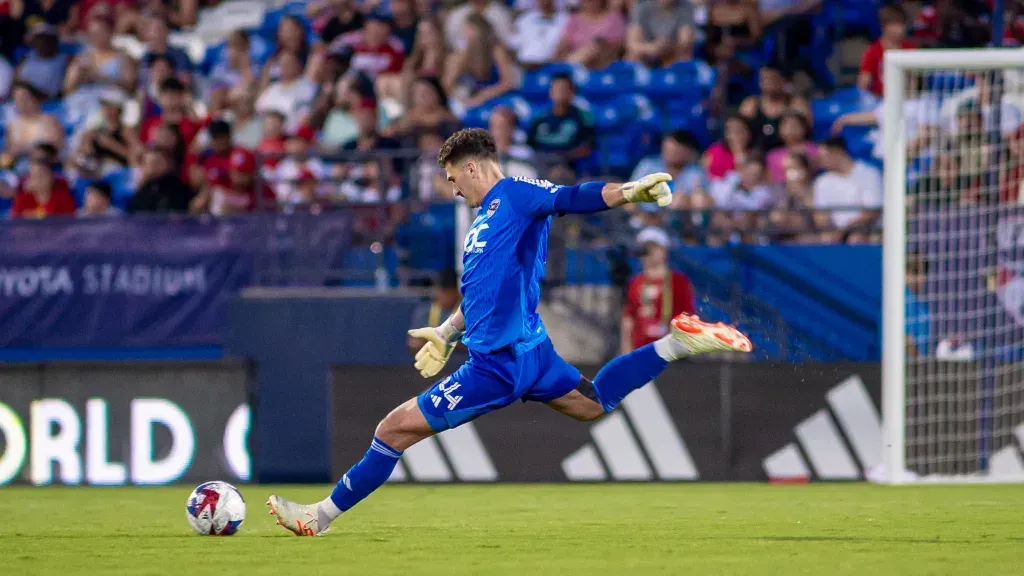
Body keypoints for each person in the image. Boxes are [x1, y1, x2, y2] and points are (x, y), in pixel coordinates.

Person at [266, 127, 752, 535]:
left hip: (497, 365)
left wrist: (629, 192)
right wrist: (448, 331)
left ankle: (319, 517)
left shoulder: (517, 195)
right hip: (532, 351)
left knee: (391, 431)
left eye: (455, 178)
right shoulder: (488, 216)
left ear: (473, 168)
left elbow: (572, 197)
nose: (454, 189)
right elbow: (483, 289)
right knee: (593, 403)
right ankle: (677, 342)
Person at [621, 227, 696, 353]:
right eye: (645, 249)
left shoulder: (678, 281)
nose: (648, 253)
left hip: (671, 353)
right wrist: (626, 350)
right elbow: (629, 318)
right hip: (641, 351)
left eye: (653, 248)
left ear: (664, 251)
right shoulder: (635, 282)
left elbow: (687, 316)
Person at [812, 136, 882, 244]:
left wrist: (844, 231)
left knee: (856, 238)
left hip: (866, 230)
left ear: (837, 152)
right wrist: (830, 231)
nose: (820, 162)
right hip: (835, 233)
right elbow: (821, 215)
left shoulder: (869, 173)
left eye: (822, 157)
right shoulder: (822, 182)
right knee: (823, 239)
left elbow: (872, 212)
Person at [858, 6, 913, 98]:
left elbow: (912, 80)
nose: (900, 29)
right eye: (896, 24)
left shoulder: (910, 49)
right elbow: (863, 83)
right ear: (884, 26)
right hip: (879, 100)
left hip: (905, 100)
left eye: (902, 24)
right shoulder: (873, 51)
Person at [407, 268, 462, 355]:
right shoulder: (424, 312)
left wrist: (440, 340)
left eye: (449, 293)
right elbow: (413, 343)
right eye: (442, 292)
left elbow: (474, 344)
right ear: (436, 290)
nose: (445, 298)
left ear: (456, 292)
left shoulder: (467, 311)